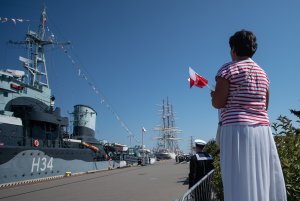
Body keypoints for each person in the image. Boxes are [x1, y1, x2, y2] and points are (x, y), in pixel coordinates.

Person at [211, 29, 287, 201]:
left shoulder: (227, 69)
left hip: (236, 129)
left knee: (238, 177)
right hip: (262, 131)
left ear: (233, 50)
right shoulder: (263, 72)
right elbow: (265, 105)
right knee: (260, 175)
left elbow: (218, 102)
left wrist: (214, 96)